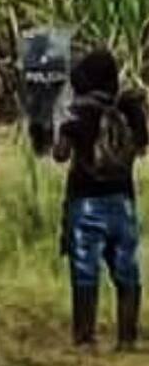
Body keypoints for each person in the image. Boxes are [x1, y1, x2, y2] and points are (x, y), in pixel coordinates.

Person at [52, 48, 148, 349]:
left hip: (86, 201)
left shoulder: (80, 112)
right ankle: (127, 338)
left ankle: (84, 338)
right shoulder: (128, 110)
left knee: (85, 269)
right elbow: (142, 148)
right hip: (123, 201)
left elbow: (60, 154)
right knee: (127, 270)